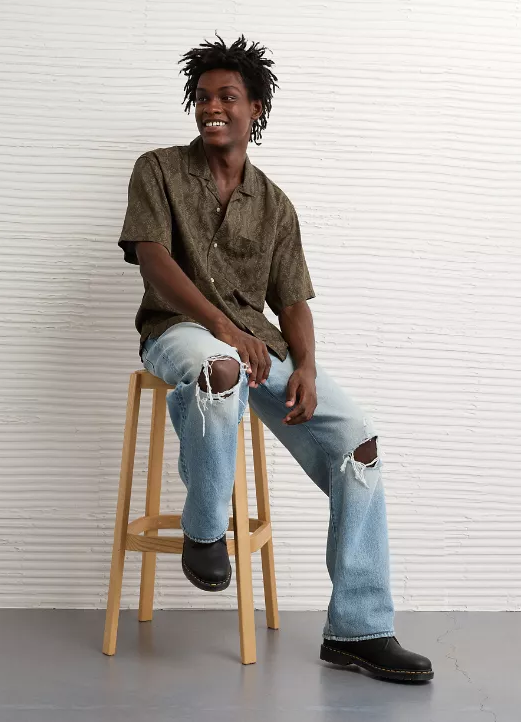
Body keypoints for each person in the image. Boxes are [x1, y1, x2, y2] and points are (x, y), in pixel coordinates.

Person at [117, 33, 433, 683]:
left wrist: (307, 367)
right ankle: (207, 529)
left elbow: (291, 302)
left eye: (227, 97)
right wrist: (223, 328)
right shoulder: (158, 169)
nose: (212, 107)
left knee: (359, 443)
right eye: (203, 97)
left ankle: (358, 629)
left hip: (259, 347)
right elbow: (152, 258)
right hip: (178, 331)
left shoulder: (275, 205)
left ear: (255, 108)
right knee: (219, 370)